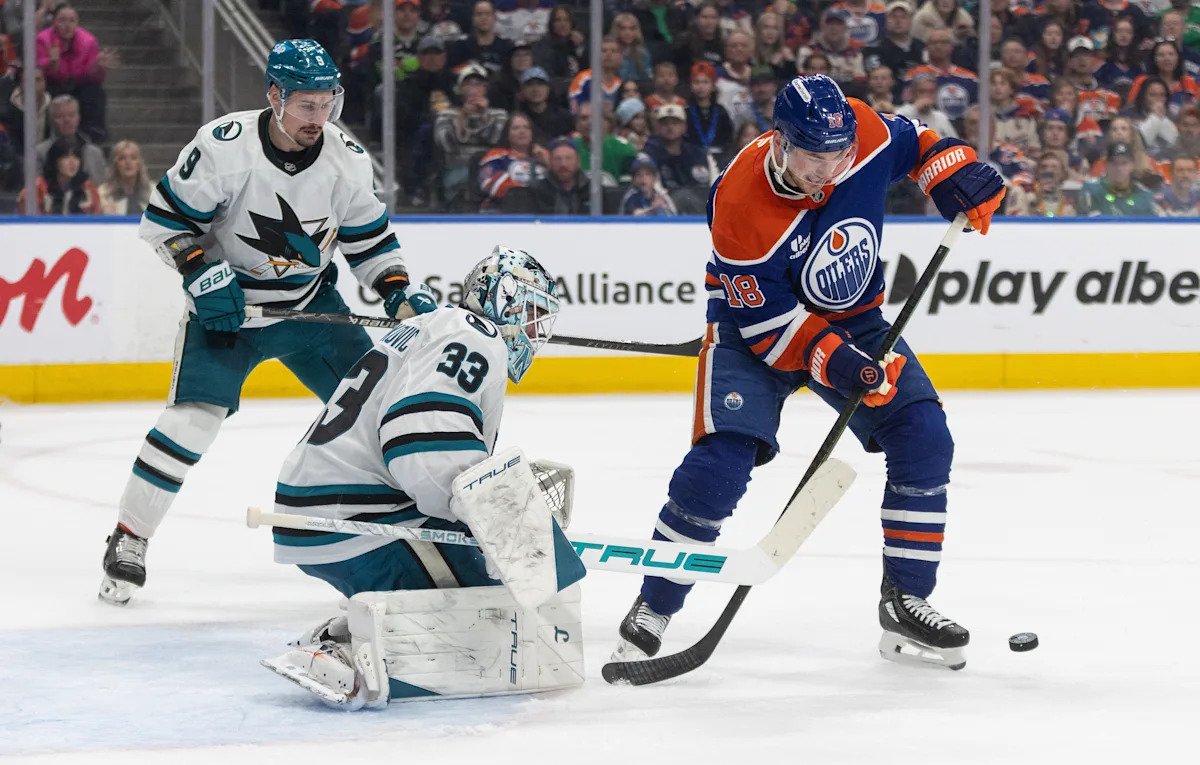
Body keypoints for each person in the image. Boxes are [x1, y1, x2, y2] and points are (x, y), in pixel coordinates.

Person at [612, 74, 1004, 672]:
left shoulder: (862, 131)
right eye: (813, 158)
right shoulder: (738, 201)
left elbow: (919, 143)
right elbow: (769, 327)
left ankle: (906, 599)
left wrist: (954, 173)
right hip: (751, 331)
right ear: (780, 141)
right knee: (719, 466)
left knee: (924, 436)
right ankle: (655, 603)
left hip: (855, 318)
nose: (827, 171)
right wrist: (842, 364)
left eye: (838, 156)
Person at [97, 39, 436, 607]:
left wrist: (397, 290)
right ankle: (130, 536)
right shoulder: (223, 147)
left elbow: (372, 243)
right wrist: (199, 269)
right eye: (306, 105)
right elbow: (163, 222)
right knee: (190, 423)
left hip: (311, 311)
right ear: (275, 96)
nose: (318, 118)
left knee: (383, 413)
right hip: (228, 317)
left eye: (327, 104)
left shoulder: (347, 159)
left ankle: (421, 536)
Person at [261, 246, 587, 707]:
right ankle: (353, 655)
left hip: (332, 506)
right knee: (500, 628)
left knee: (506, 604)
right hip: (357, 519)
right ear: (504, 300)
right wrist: (488, 514)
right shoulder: (476, 334)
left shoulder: (434, 326)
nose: (535, 332)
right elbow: (421, 436)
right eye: (531, 314)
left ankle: (355, 627)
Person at [18, 136, 99, 214]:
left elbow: (97, 218)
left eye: (76, 157)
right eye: (66, 157)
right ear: (55, 160)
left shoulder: (88, 189)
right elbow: (30, 220)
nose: (72, 162)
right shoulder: (37, 189)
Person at [1077, 141, 1161, 215]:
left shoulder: (1143, 195)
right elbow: (1088, 224)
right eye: (1114, 163)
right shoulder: (1091, 189)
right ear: (1106, 165)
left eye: (1124, 163)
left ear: (1132, 165)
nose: (1119, 168)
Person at [98, 140, 152, 215]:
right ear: (115, 164)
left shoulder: (154, 191)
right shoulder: (103, 193)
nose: (128, 162)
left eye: (133, 158)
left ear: (139, 163)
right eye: (122, 158)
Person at [620, 151, 677, 215]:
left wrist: (665, 207)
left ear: (654, 178)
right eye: (639, 175)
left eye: (647, 174)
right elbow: (635, 215)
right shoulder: (630, 196)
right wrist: (653, 208)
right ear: (634, 179)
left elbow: (674, 215)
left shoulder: (662, 195)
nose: (643, 178)